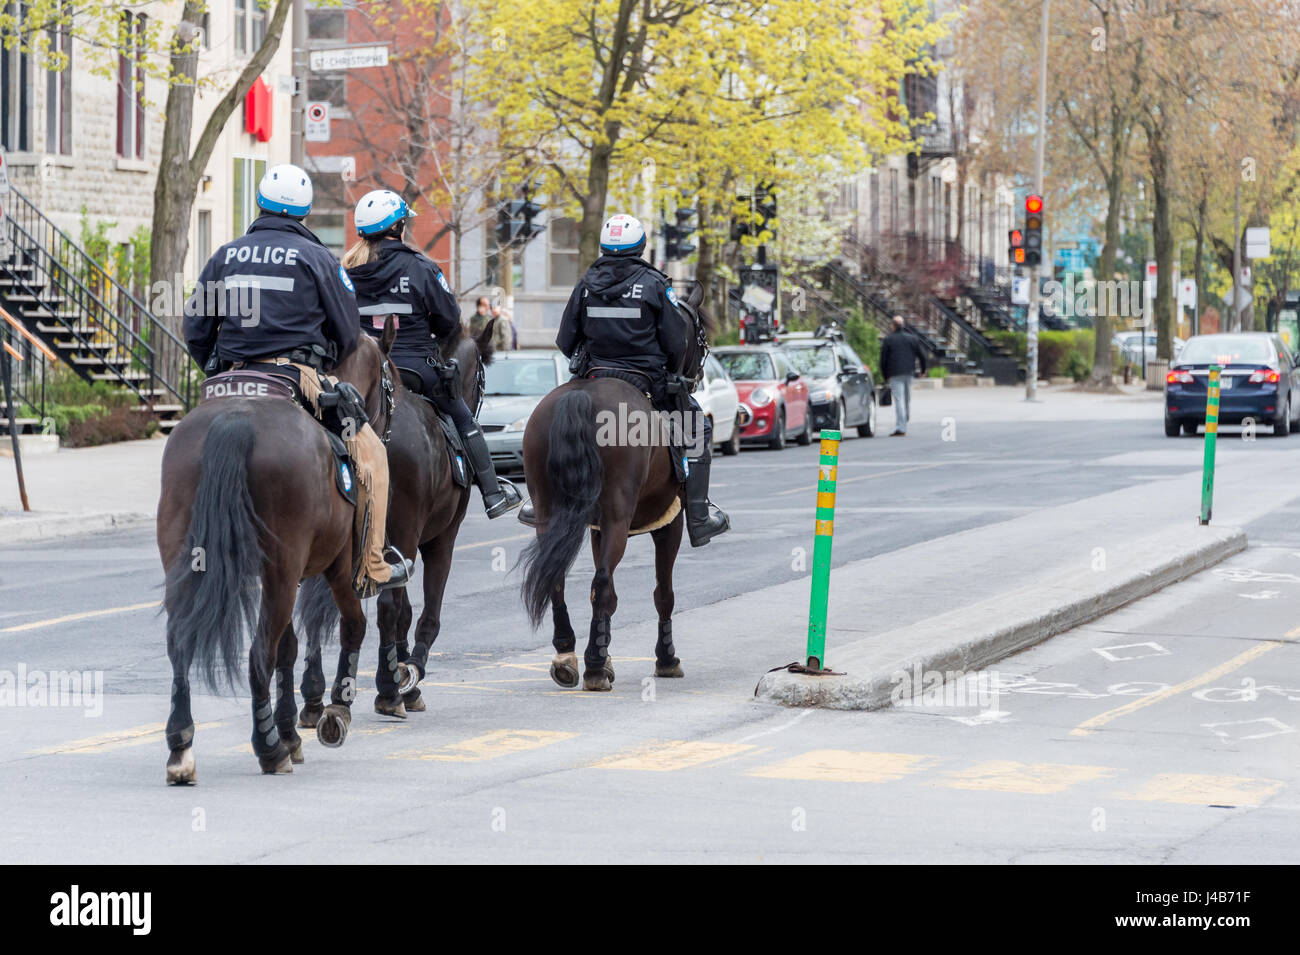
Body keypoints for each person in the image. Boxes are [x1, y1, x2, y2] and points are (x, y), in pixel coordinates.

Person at [184, 164, 409, 595]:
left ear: (261, 203)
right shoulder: (320, 258)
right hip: (295, 375)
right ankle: (373, 566)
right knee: (374, 457)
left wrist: (220, 371)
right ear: (304, 212)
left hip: (230, 377)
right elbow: (348, 336)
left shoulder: (224, 255)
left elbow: (195, 330)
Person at [519, 212, 729, 546]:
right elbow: (676, 343)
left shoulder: (586, 282)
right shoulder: (656, 284)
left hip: (593, 374)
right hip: (645, 380)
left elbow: (565, 340)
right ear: (641, 246)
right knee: (696, 425)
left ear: (603, 246)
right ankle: (700, 515)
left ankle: (538, 500)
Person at [342, 189, 521, 518]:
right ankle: (493, 493)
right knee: (462, 417)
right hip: (414, 369)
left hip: (360, 372)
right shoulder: (422, 267)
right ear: (398, 228)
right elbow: (450, 322)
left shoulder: (347, 272)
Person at [879, 314, 928, 436]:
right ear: (903, 325)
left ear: (893, 326)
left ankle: (901, 427)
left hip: (895, 373)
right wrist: (923, 370)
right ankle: (904, 418)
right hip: (909, 372)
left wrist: (885, 375)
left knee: (899, 400)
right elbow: (922, 355)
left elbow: (883, 359)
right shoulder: (912, 339)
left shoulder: (888, 340)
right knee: (906, 398)